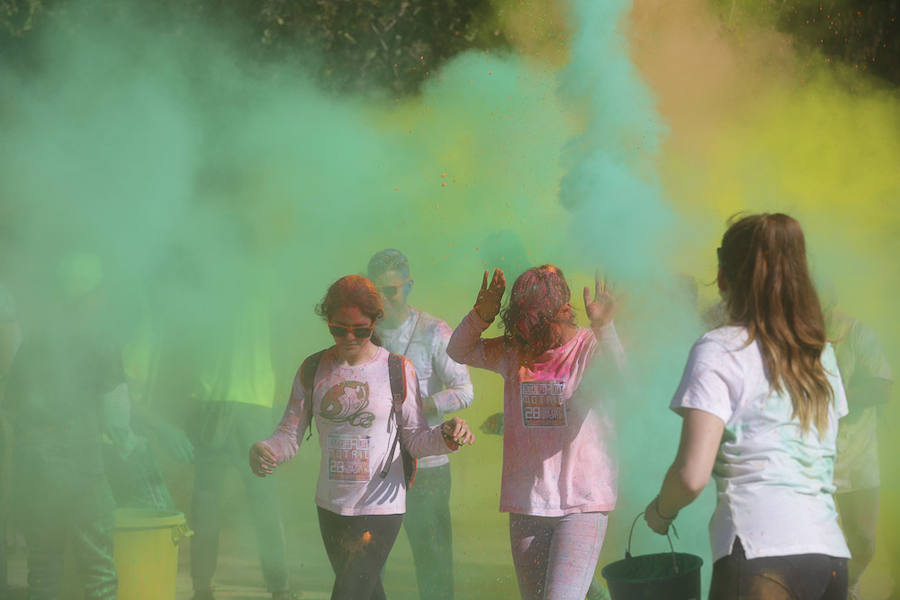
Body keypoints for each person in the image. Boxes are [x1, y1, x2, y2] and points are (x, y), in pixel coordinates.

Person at [644, 213, 850, 599]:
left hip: (758, 554)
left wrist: (660, 512)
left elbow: (691, 476)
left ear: (723, 275)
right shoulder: (820, 354)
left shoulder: (719, 348)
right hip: (829, 559)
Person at [249, 274, 474, 600]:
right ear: (328, 322)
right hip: (331, 507)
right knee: (367, 592)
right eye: (339, 329)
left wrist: (447, 436)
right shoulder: (313, 369)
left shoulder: (397, 370)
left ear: (375, 322)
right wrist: (265, 450)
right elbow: (289, 433)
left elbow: (415, 439)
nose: (350, 337)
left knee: (349, 592)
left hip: (382, 506)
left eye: (360, 329)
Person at [447, 265, 624, 600]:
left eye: (538, 325)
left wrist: (605, 328)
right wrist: (480, 315)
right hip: (527, 503)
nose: (529, 336)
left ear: (564, 312)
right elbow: (458, 351)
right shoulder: (514, 351)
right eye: (521, 324)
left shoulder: (587, 347)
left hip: (581, 505)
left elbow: (624, 379)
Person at [5, 254, 121, 600]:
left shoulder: (35, 341)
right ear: (91, 295)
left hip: (36, 472)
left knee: (42, 571)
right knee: (99, 573)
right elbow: (118, 417)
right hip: (82, 470)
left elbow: (12, 408)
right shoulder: (101, 339)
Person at [366, 249, 473, 600]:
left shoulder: (434, 330)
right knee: (367, 563)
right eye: (376, 291)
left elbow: (464, 390)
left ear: (409, 287)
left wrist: (420, 406)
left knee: (433, 563)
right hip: (375, 468)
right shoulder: (362, 335)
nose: (383, 299)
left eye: (391, 290)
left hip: (426, 468)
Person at [189, 287, 296, 600]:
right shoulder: (264, 293)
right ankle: (280, 588)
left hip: (210, 402)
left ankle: (202, 587)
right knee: (264, 499)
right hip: (255, 403)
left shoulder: (207, 292)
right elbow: (284, 350)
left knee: (207, 500)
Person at [825, 307, 893, 600]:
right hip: (811, 457)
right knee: (817, 541)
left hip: (858, 456)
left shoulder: (856, 333)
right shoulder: (791, 332)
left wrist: (835, 396)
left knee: (863, 541)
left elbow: (883, 388)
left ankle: (846, 588)